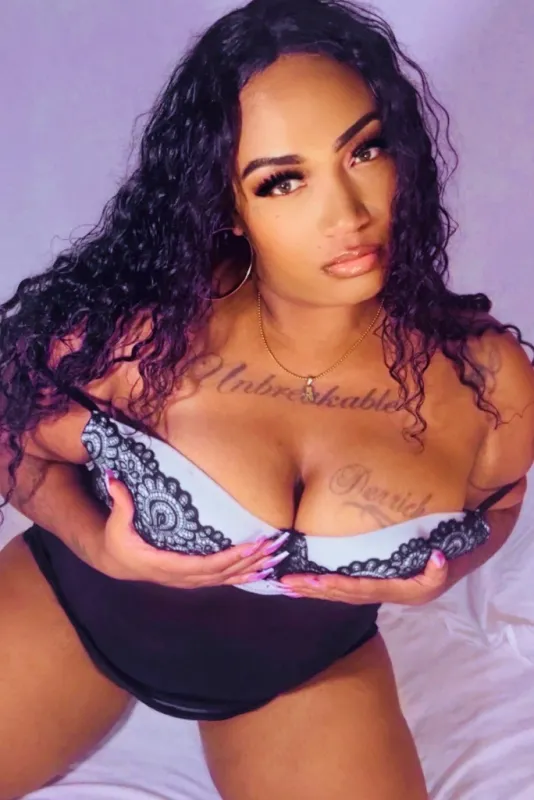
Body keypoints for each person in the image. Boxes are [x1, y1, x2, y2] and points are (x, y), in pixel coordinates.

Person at [0, 0, 533, 797]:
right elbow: (12, 436)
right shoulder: (144, 338)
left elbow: (500, 500)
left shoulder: (483, 379)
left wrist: (446, 571)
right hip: (73, 618)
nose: (348, 216)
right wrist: (97, 545)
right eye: (283, 181)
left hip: (304, 675)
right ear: (229, 207)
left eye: (364, 150)